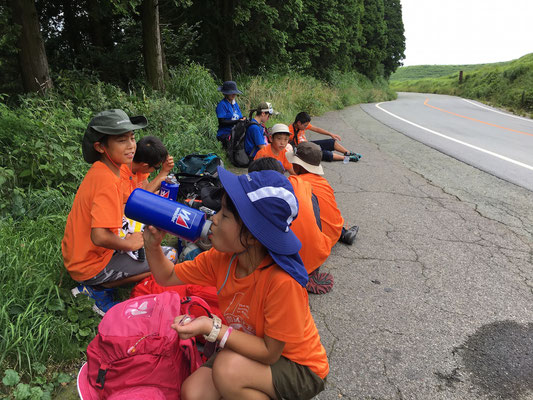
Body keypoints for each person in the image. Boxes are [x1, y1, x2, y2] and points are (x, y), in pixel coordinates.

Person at [143, 167, 329, 399]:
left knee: (227, 371)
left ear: (252, 236)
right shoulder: (222, 259)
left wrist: (211, 328)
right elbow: (167, 277)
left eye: (225, 215)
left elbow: (270, 353)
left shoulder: (282, 281)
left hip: (297, 366)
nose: (214, 218)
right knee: (193, 393)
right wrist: (152, 246)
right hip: (249, 349)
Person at [61, 110, 151, 316]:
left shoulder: (103, 169)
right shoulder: (107, 181)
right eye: (121, 140)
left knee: (151, 245)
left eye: (132, 138)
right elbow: (99, 236)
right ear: (100, 147)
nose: (131, 146)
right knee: (166, 259)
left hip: (81, 256)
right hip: (89, 265)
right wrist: (129, 244)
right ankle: (96, 290)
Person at [248, 157, 333, 294]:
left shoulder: (258, 198)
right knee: (312, 200)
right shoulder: (299, 182)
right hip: (316, 255)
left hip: (279, 266)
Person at [287, 141, 359, 246]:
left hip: (314, 238)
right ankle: (343, 233)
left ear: (298, 165)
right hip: (334, 233)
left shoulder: (294, 182)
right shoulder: (323, 182)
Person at [120, 135, 175, 204]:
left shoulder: (139, 168)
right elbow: (137, 201)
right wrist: (161, 179)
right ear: (145, 165)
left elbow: (146, 189)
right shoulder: (121, 175)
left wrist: (165, 170)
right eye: (157, 167)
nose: (156, 169)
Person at [289, 111, 362, 162]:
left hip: (309, 144)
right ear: (299, 123)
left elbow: (317, 129)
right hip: (304, 150)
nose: (306, 127)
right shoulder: (289, 131)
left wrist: (330, 134)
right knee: (324, 153)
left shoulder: (303, 125)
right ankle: (347, 158)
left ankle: (348, 153)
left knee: (331, 142)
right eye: (305, 125)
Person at [215, 81, 244, 147]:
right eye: (231, 93)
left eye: (234, 93)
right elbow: (222, 122)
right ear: (225, 93)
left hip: (236, 131)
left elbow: (239, 116)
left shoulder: (235, 104)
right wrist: (237, 121)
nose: (233, 94)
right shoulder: (222, 105)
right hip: (225, 133)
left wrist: (243, 118)